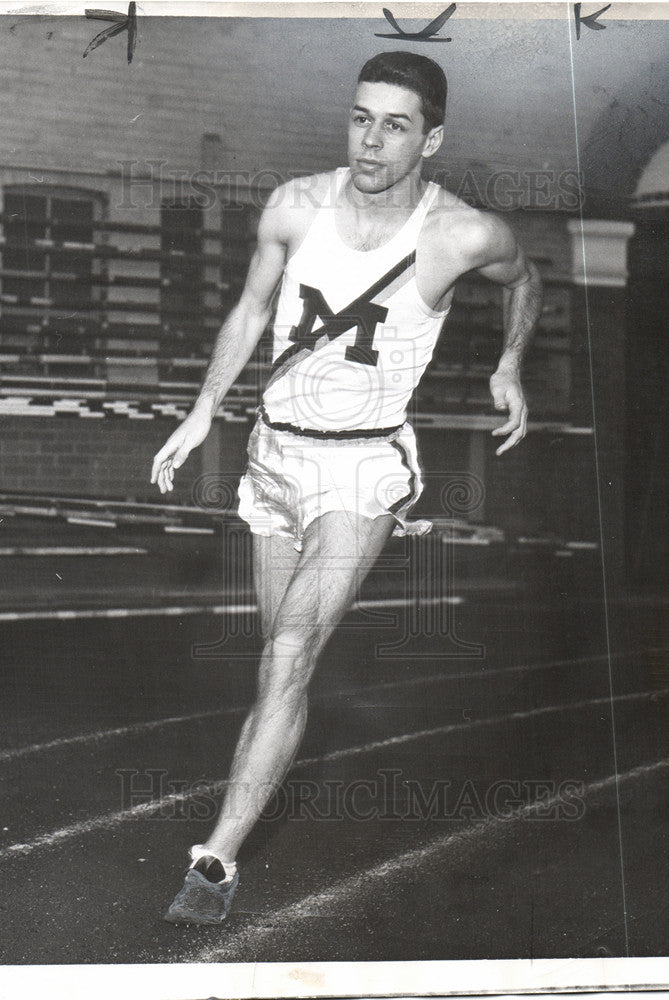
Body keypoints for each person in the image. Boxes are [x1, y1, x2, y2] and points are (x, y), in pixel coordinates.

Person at [150, 50, 542, 924]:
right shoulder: (295, 203)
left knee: (292, 653)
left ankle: (213, 864)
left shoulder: (460, 234)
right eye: (361, 117)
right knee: (276, 666)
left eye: (395, 124)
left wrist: (510, 362)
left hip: (362, 467)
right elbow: (252, 307)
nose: (371, 139)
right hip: (274, 457)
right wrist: (204, 409)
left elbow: (527, 278)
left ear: (431, 138)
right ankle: (253, 790)